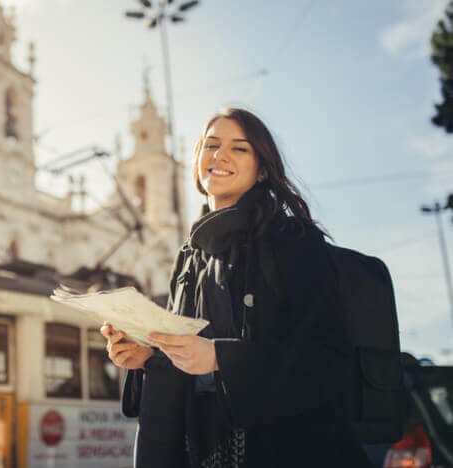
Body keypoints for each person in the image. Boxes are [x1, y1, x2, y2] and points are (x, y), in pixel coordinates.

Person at [101, 108, 371, 467]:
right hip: (206, 450)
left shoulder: (294, 242)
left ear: (262, 169)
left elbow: (326, 358)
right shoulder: (188, 260)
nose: (220, 155)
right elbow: (187, 362)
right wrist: (148, 357)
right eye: (211, 145)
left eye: (239, 148)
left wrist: (218, 358)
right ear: (197, 161)